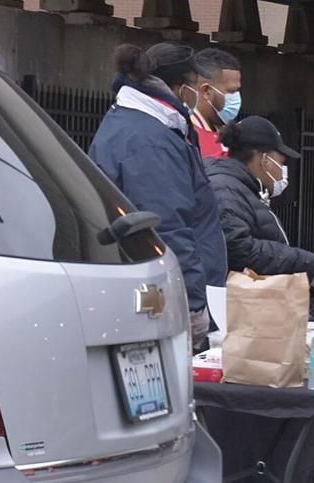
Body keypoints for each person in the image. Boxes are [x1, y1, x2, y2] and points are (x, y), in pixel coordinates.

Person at [88, 43, 227, 346]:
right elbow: (167, 224)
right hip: (162, 296)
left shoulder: (146, 127)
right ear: (179, 86)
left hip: (157, 290)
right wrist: (191, 301)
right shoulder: (149, 140)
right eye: (193, 85)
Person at [206, 116, 314, 279]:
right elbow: (237, 248)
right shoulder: (225, 189)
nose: (283, 171)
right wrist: (303, 262)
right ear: (265, 160)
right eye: (281, 163)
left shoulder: (244, 189)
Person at [191, 48, 242, 158]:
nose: (237, 98)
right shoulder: (187, 138)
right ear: (206, 91)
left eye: (238, 91)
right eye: (231, 91)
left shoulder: (236, 137)